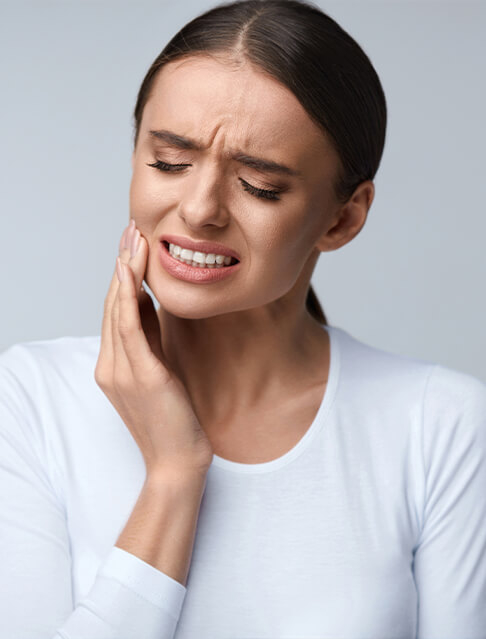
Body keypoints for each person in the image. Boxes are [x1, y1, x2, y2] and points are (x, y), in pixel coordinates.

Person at [1, 0, 485, 637]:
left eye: (260, 185)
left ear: (342, 218)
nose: (200, 209)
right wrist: (174, 477)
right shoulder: (29, 401)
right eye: (169, 162)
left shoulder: (441, 428)